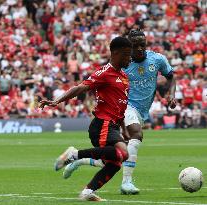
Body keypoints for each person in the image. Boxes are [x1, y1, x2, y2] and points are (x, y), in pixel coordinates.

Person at [63, 29, 176, 195]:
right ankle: (127, 182)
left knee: (116, 157)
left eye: (142, 45)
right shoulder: (124, 64)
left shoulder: (157, 59)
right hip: (126, 108)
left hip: (142, 111)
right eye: (134, 46)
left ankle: (78, 160)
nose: (139, 49)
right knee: (136, 134)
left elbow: (171, 76)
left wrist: (172, 95)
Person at [38, 36, 132, 201]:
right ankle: (74, 155)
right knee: (123, 153)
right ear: (115, 53)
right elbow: (80, 88)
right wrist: (57, 101)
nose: (129, 58)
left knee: (115, 163)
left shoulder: (124, 77)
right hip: (103, 124)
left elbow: (121, 106)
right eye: (126, 54)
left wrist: (124, 129)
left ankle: (87, 192)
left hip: (113, 126)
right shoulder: (104, 73)